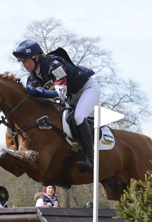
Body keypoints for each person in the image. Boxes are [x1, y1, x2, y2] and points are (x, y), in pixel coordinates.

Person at [13, 40, 101, 174]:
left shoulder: (54, 65)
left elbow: (60, 94)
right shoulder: (33, 77)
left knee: (78, 116)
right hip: (71, 96)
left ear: (35, 57)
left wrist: (40, 92)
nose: (23, 65)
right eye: (22, 62)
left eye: (25, 61)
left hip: (87, 89)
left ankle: (90, 158)